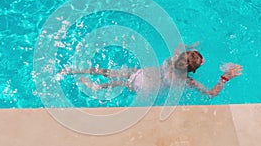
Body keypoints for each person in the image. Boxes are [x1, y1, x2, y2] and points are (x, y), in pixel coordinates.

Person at [57, 43, 243, 97]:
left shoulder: (170, 61)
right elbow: (211, 93)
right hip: (144, 87)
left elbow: (179, 48)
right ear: (191, 71)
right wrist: (225, 77)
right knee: (119, 83)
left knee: (111, 72)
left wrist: (190, 47)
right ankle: (96, 88)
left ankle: (73, 70)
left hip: (144, 75)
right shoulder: (186, 81)